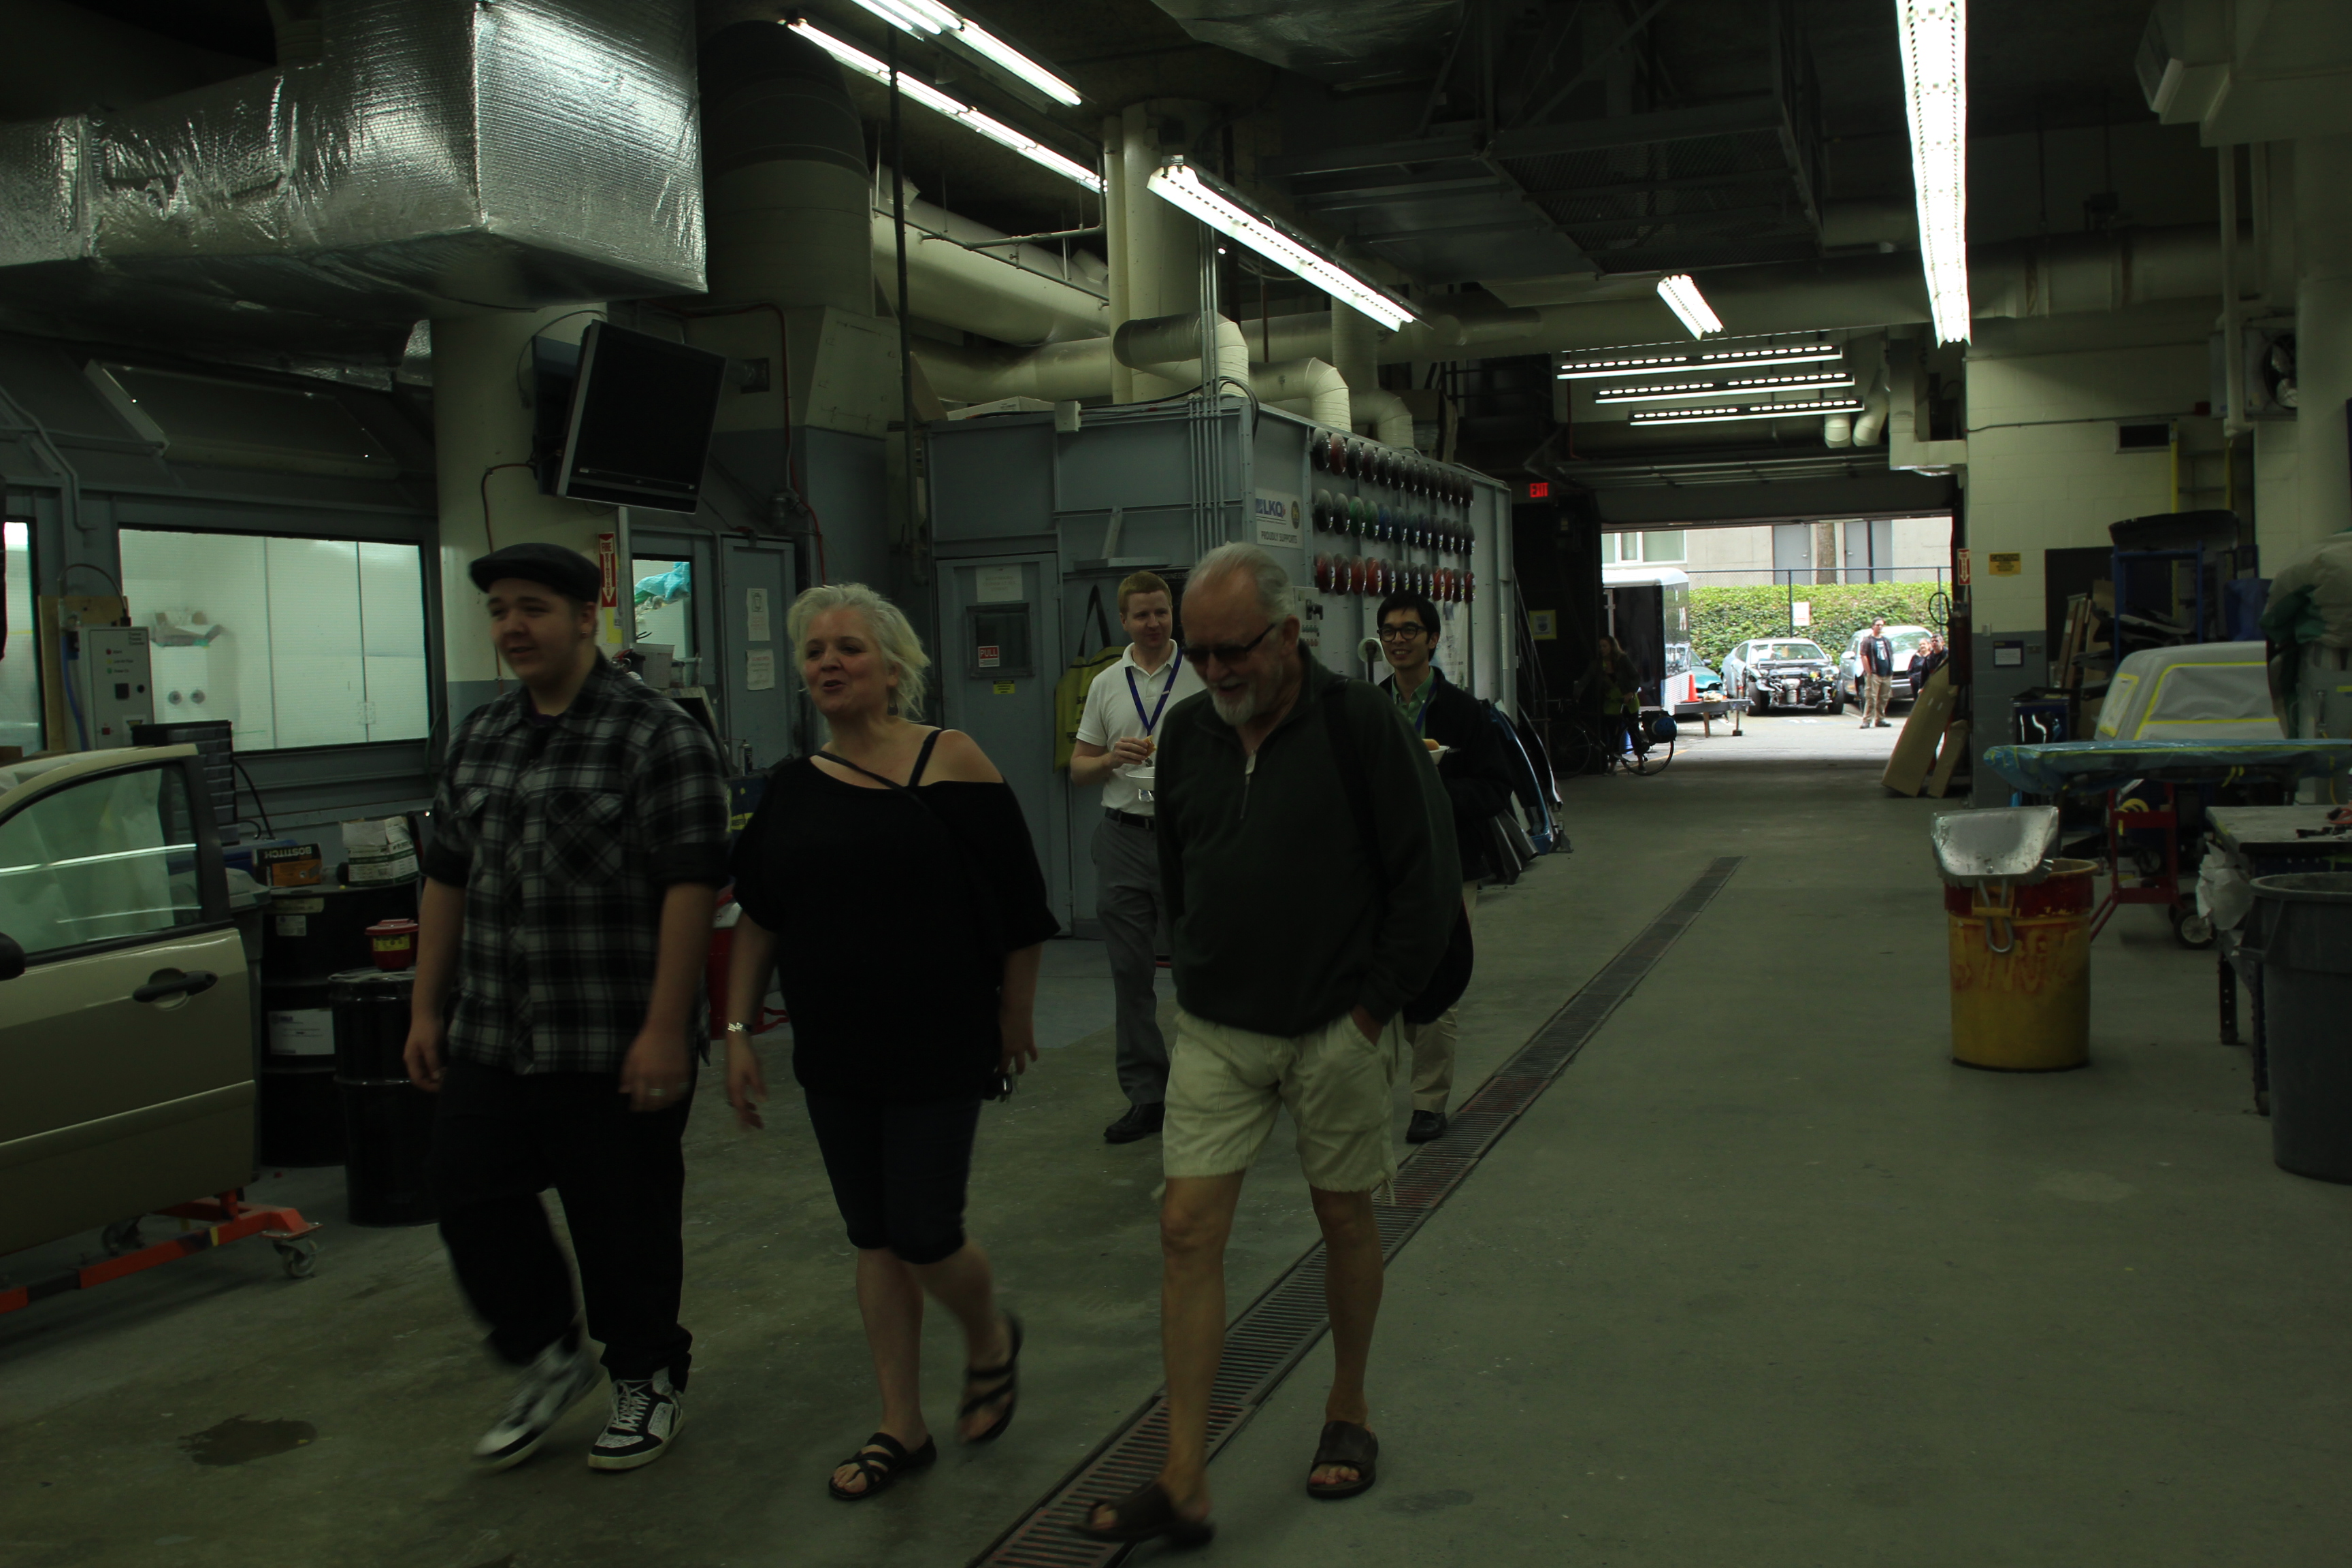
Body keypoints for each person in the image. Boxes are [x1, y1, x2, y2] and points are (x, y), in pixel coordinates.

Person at [1077, 544, 1459, 1548]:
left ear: (1288, 635)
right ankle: (1186, 1473)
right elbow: (1176, 865)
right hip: (1217, 1030)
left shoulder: (1360, 725)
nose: (1214, 671)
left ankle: (1349, 1405)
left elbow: (1425, 884)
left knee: (1342, 1221)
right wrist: (1194, 970)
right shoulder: (1194, 733)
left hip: (1337, 1028)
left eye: (1231, 651)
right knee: (1186, 1230)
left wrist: (1371, 1016)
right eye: (1198, 655)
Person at [721, 583, 1058, 1503]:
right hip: (835, 1046)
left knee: (922, 1229)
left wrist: (1015, 1014)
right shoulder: (789, 790)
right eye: (816, 651)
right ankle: (899, 1426)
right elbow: (760, 919)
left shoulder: (952, 760)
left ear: (894, 668)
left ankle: (989, 1334)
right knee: (872, 1234)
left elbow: (1023, 905)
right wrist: (738, 1030)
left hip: (940, 1036)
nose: (829, 663)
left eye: (850, 649)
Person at [406, 542, 730, 1474]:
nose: (513, 626)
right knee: (465, 1188)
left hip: (613, 1033)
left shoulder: (656, 735)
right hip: (494, 1031)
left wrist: (669, 1027)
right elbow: (446, 879)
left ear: (589, 617)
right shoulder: (481, 736)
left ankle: (645, 1375)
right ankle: (548, 1353)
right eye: (500, 610)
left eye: (534, 608)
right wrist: (428, 1010)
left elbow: (690, 887)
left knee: (621, 1219)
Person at [1068, 570, 1206, 1144]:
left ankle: (1211, 1090)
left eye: (1162, 612)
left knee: (1200, 968)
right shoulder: (1106, 683)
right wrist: (1109, 762)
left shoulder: (1202, 673)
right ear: (1124, 620)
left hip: (1188, 836)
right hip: (1124, 836)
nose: (1153, 623)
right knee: (1130, 973)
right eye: (1142, 615)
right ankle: (1147, 1095)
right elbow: (1077, 767)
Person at [1373, 588, 1514, 1144]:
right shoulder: (1370, 707)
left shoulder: (1465, 713)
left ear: (1432, 639)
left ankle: (1428, 1104)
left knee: (1437, 981)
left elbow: (1495, 789)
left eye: (1410, 631)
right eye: (1389, 631)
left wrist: (1432, 793)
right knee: (1378, 982)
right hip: (1383, 870)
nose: (1399, 640)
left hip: (1449, 866)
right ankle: (1370, 1097)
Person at [1582, 634, 1642, 768]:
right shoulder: (1597, 664)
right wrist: (1575, 694)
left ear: (1612, 647)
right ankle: (1612, 765)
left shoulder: (1622, 660)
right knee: (1612, 735)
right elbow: (1585, 680)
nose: (1602, 649)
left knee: (1633, 730)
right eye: (1600, 646)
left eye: (1605, 646)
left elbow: (1635, 677)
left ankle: (1640, 761)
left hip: (1628, 701)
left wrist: (1631, 692)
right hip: (1612, 702)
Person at [1858, 617, 1896, 728]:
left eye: (1882, 625)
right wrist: (1869, 671)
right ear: (1873, 626)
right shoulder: (1868, 641)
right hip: (1874, 673)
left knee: (1884, 698)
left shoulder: (1886, 641)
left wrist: (1891, 667)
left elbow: (1891, 655)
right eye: (1878, 625)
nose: (1880, 627)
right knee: (1871, 698)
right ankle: (1867, 720)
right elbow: (1863, 655)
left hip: (1887, 673)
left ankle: (1880, 719)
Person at [1910, 632, 1948, 697]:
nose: (1934, 643)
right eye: (1932, 641)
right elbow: (1924, 673)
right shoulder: (1929, 658)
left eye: (1936, 641)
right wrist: (1921, 687)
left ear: (1942, 643)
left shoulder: (1948, 655)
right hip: (1934, 685)